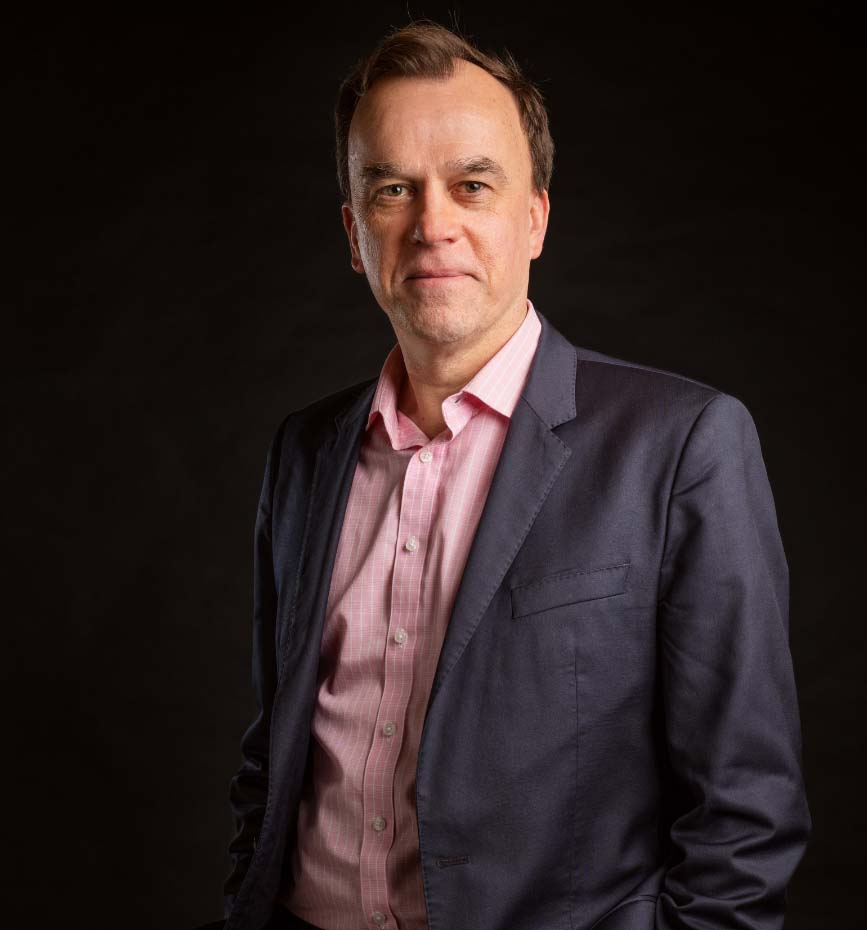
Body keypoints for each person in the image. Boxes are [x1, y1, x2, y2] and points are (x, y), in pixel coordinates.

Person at [219, 20, 811, 930]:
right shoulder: (304, 454)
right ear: (352, 232)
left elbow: (746, 814)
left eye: (472, 185)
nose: (432, 224)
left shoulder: (684, 446)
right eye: (391, 189)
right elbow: (276, 759)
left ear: (534, 215)